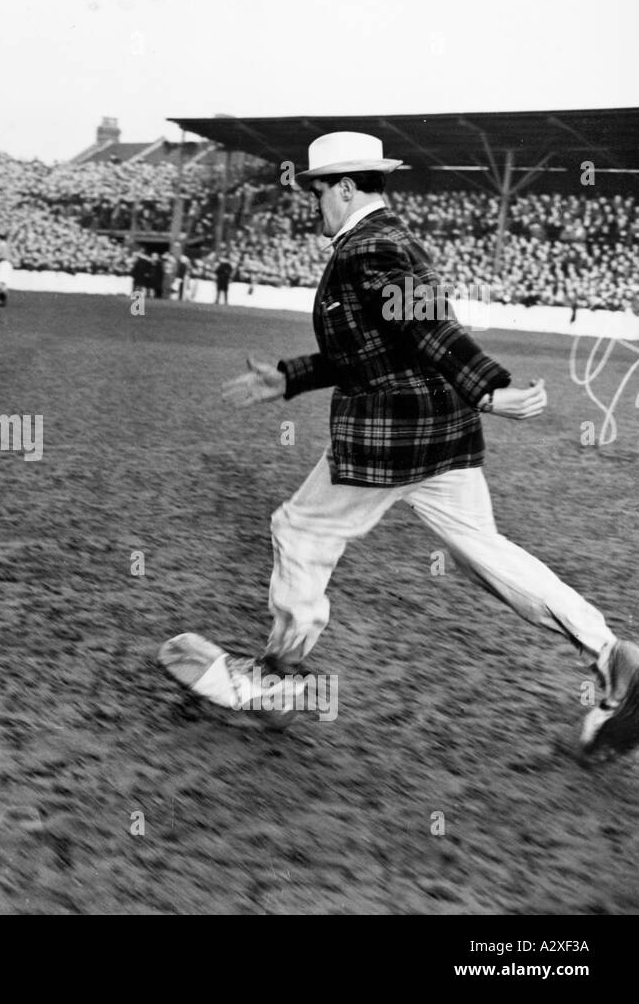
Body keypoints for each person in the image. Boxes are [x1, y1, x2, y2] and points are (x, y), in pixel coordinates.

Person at [160, 131, 639, 763]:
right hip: (442, 436)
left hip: (392, 435)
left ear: (347, 187)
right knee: (483, 552)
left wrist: (490, 387)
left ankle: (278, 679)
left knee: (299, 528)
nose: (315, 202)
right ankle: (612, 656)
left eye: (319, 190)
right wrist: (292, 377)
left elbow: (426, 327)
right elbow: (374, 344)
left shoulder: (372, 247)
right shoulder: (387, 240)